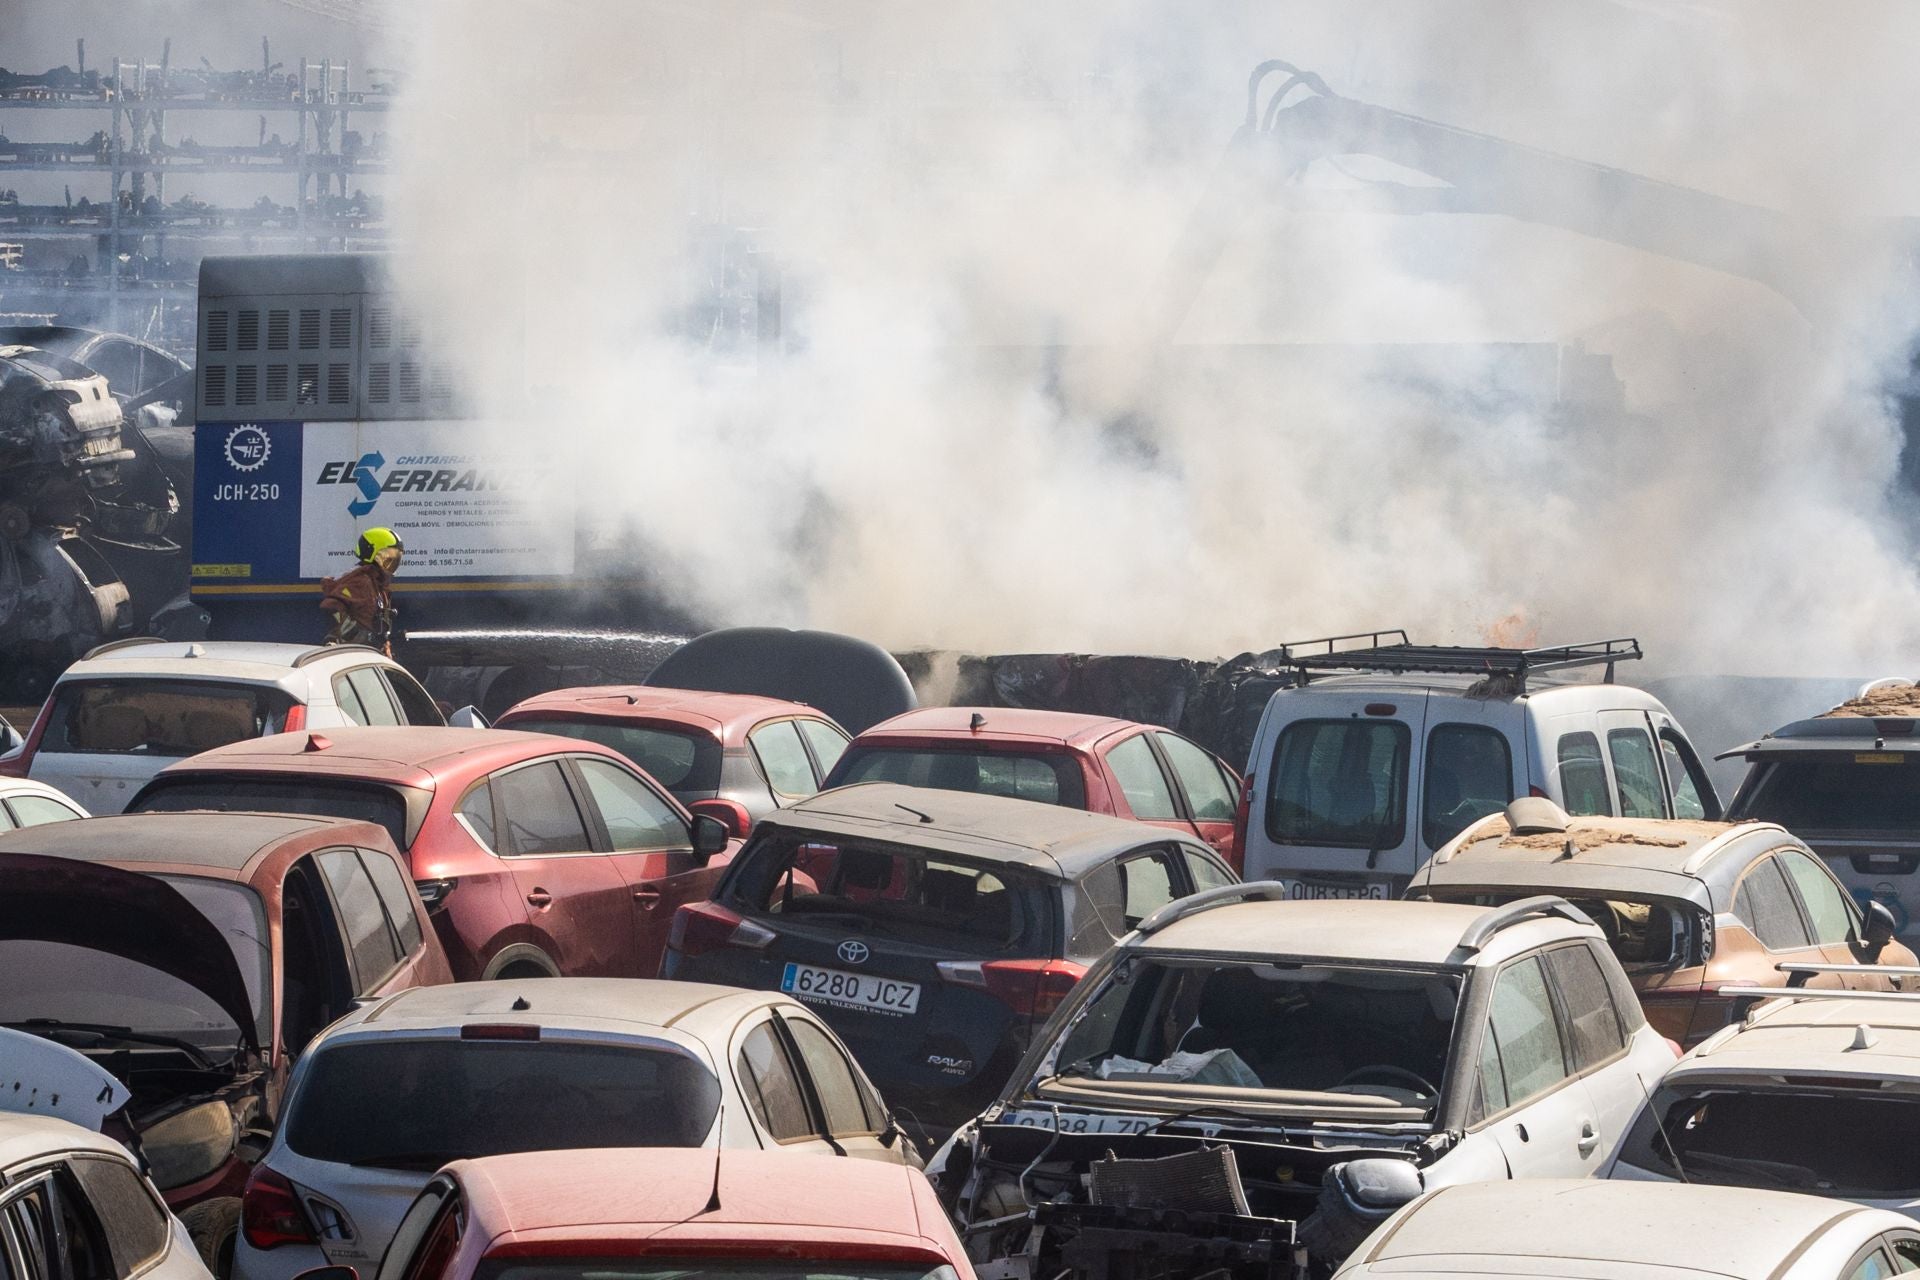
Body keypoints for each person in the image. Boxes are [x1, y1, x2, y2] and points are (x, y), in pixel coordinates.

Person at [319, 528, 402, 654]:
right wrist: (356, 634)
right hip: (351, 654)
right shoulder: (361, 582)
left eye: (396, 558)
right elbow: (331, 607)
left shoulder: (378, 586)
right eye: (387, 557)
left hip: (367, 654)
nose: (392, 563)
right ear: (372, 554)